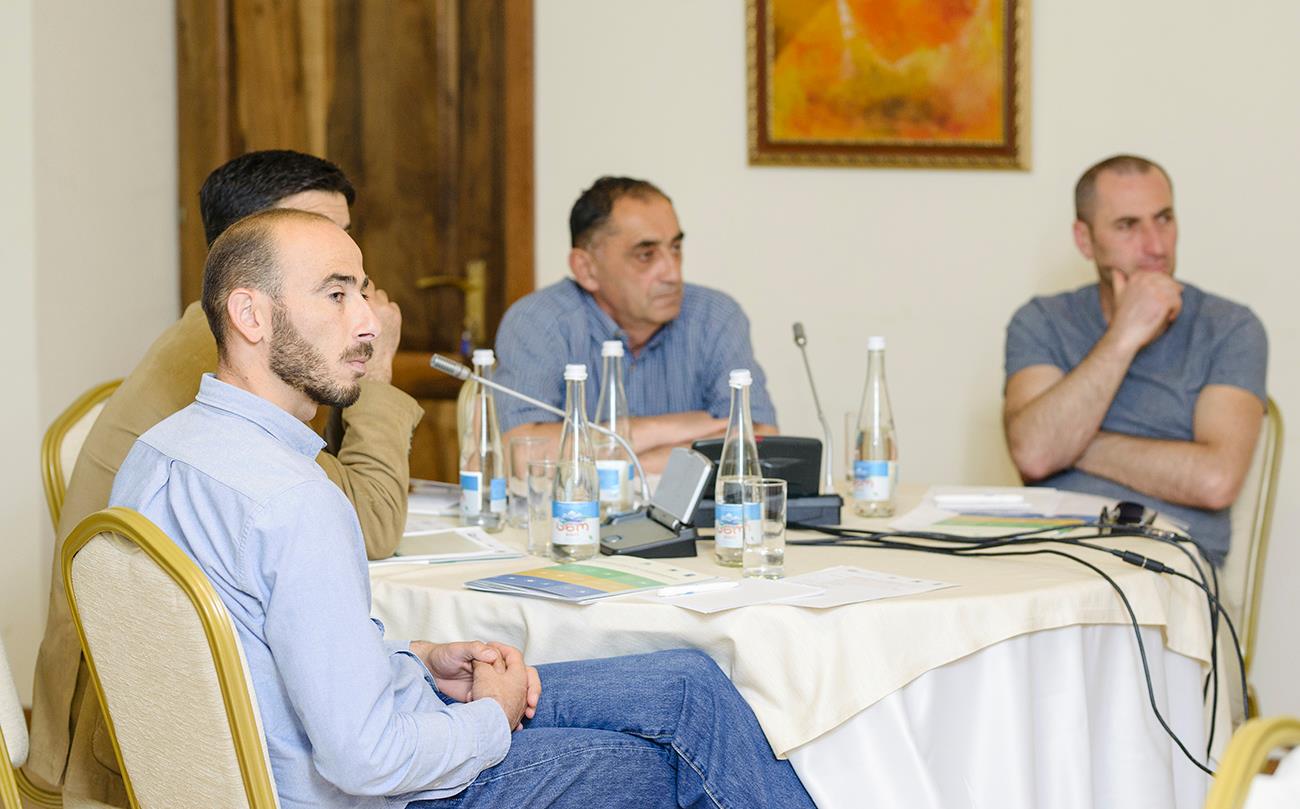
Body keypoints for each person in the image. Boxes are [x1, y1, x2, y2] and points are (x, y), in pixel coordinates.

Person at [108, 207, 815, 808]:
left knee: (690, 685)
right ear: (250, 315)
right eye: (336, 295)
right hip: (371, 788)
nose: (369, 324)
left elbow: (261, 647)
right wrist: (492, 717)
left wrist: (417, 659)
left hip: (342, 734)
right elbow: (366, 761)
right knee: (663, 762)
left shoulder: (158, 452)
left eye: (362, 292)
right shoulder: (295, 501)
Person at [25, 150, 425, 805]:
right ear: (251, 267)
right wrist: (376, 374)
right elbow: (373, 523)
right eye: (330, 278)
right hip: (130, 742)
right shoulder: (228, 374)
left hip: (157, 696)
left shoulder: (220, 337)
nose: (360, 301)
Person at [1003, 154, 1268, 565]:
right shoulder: (1041, 321)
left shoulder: (1230, 327)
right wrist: (1124, 336)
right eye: (1127, 225)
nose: (1156, 247)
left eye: (1164, 219)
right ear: (1084, 239)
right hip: (1054, 552)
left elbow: (1216, 480)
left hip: (1169, 564)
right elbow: (1034, 453)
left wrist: (1071, 444)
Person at [494, 176, 777, 472]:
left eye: (675, 248)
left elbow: (758, 442)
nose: (672, 273)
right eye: (646, 255)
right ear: (586, 269)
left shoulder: (715, 317)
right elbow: (522, 455)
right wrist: (669, 428)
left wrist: (617, 463)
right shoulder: (539, 321)